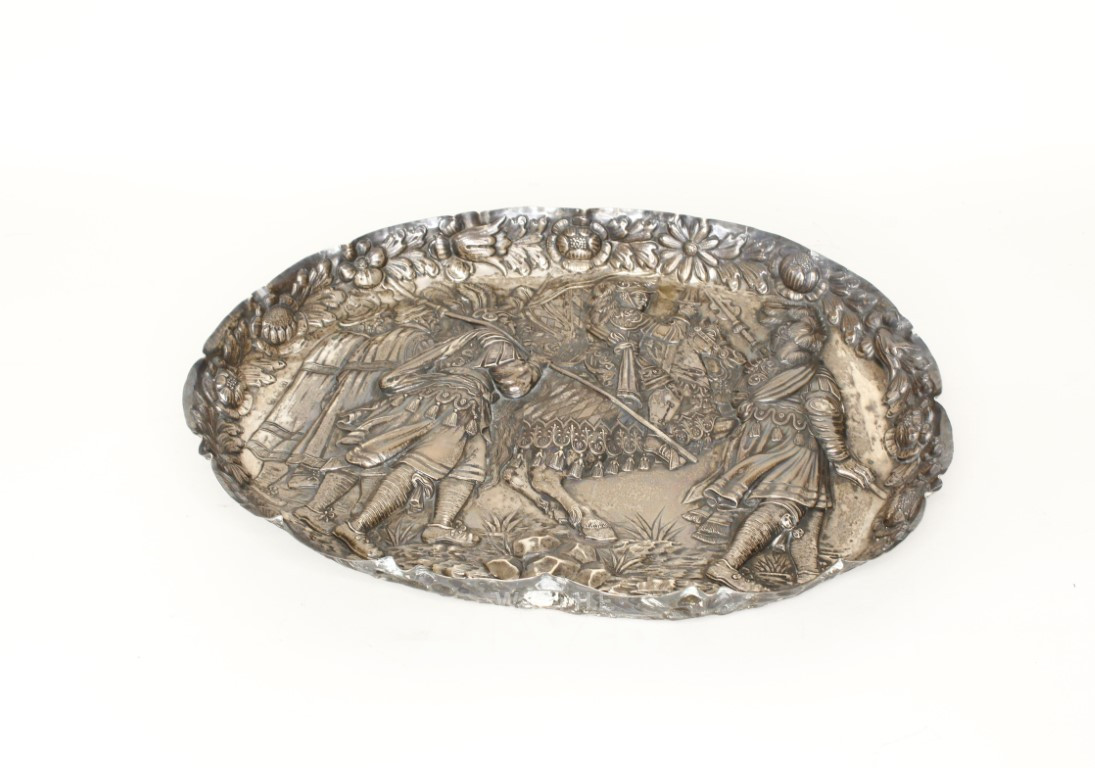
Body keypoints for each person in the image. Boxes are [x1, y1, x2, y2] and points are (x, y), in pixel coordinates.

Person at [684, 302, 875, 591]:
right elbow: (822, 412)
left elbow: (741, 396)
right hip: (795, 450)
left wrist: (751, 408)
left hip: (765, 442)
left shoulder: (766, 368)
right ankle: (728, 565)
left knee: (810, 512)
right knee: (783, 505)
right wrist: (841, 458)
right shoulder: (814, 375)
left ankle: (807, 572)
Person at [329, 327, 542, 559]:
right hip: (455, 405)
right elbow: (514, 388)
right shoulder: (498, 342)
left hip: (464, 407)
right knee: (422, 465)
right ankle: (356, 527)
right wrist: (535, 366)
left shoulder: (465, 337)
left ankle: (441, 524)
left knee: (469, 466)